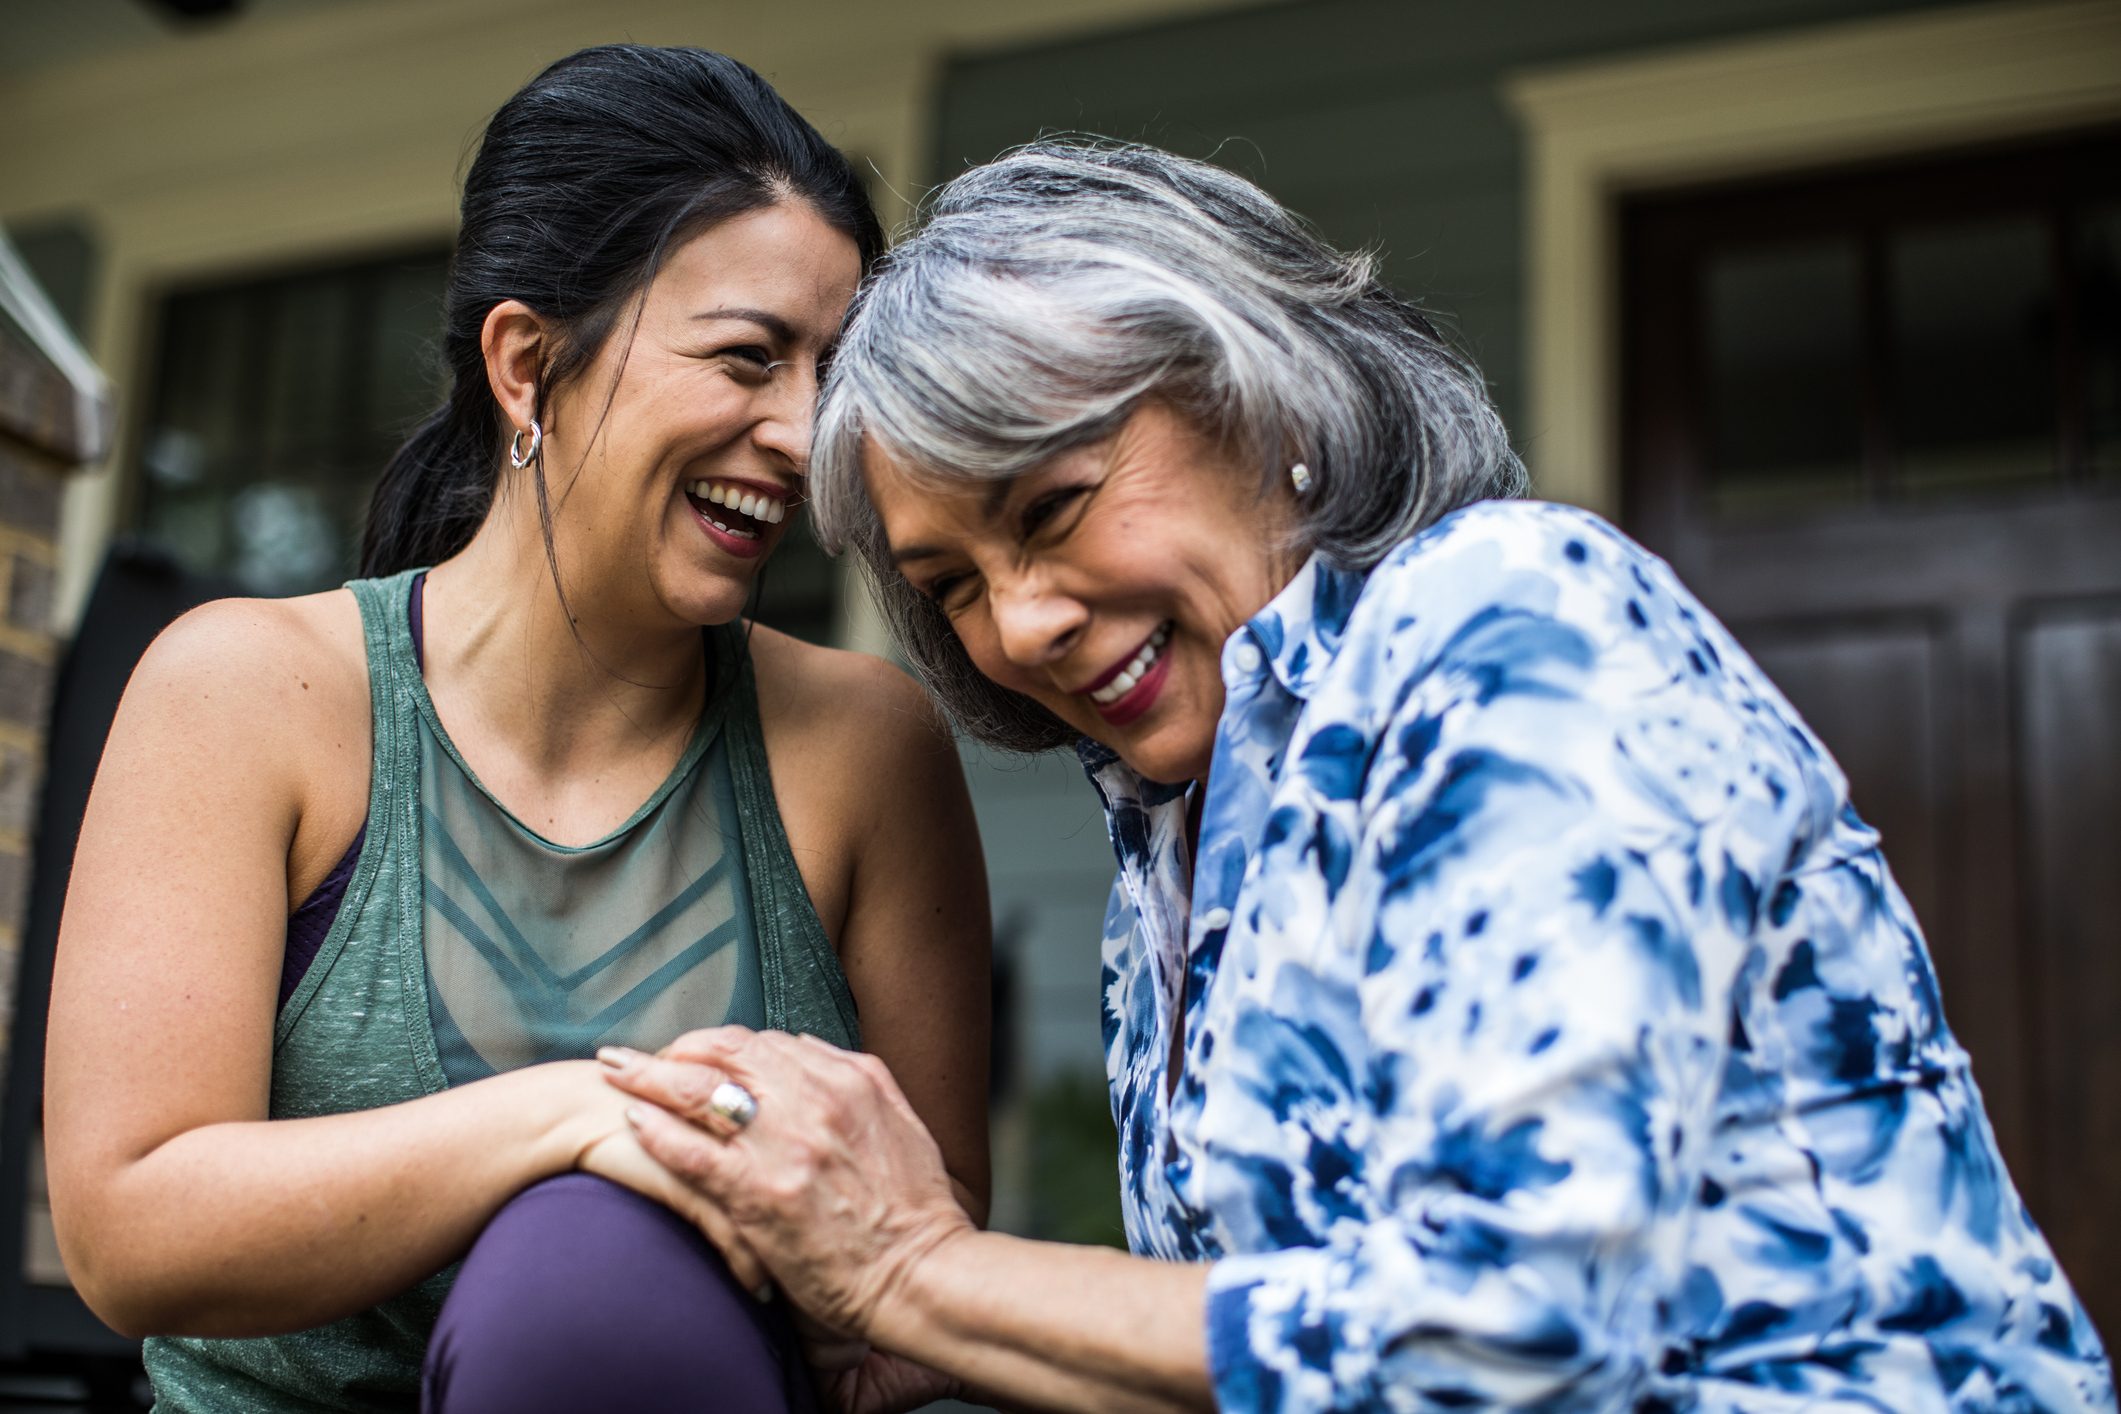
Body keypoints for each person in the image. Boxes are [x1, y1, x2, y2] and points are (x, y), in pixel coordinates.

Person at [598, 140, 2115, 1412]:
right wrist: (927, 1330)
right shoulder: (1179, 831)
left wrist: (921, 1271)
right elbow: (1285, 1333)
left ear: (1264, 403)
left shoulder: (1506, 627)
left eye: (1053, 505)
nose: (1019, 625)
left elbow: (1504, 1324)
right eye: (953, 584)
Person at [43, 46, 990, 1414]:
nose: (804, 434)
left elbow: (931, 1225)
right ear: (528, 363)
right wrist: (584, 1118)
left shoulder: (867, 747)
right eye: (746, 357)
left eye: (829, 374)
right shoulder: (248, 694)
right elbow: (130, 1228)